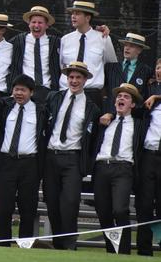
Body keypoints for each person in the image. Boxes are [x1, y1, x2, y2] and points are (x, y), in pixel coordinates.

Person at [43, 61, 100, 250]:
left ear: (85, 80)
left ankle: (69, 244)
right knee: (51, 202)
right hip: (51, 155)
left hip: (73, 158)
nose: (74, 81)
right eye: (71, 77)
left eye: (78, 78)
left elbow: (92, 139)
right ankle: (58, 244)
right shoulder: (55, 97)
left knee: (70, 202)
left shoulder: (91, 106)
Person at [0, 74, 47, 246]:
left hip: (29, 163)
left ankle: (25, 246)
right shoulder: (5, 107)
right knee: (3, 207)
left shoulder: (41, 110)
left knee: (27, 208)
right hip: (7, 161)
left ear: (31, 92)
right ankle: (2, 244)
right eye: (16, 89)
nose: (19, 93)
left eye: (23, 90)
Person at [92, 83, 145, 254]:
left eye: (126, 97)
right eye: (119, 96)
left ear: (133, 104)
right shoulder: (105, 121)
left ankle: (124, 252)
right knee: (103, 211)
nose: (121, 98)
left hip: (123, 169)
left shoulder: (139, 124)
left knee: (120, 209)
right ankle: (111, 251)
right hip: (102, 167)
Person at [59, 1, 117, 107]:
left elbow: (111, 67)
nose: (73, 16)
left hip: (91, 93)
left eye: (77, 13)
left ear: (87, 18)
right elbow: (61, 66)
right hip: (66, 91)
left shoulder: (103, 38)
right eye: (72, 13)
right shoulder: (65, 40)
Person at [7, 6, 60, 103]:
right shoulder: (19, 40)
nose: (36, 25)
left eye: (40, 23)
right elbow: (1, 46)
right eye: (34, 22)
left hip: (47, 90)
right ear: (29, 24)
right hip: (24, 90)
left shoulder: (55, 42)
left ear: (47, 25)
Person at [136, 58, 161, 256]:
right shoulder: (148, 91)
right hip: (148, 156)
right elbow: (135, 104)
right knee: (144, 204)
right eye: (159, 68)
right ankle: (144, 250)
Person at [104, 32, 153, 112]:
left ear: (139, 50)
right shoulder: (110, 68)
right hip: (110, 115)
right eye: (126, 45)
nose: (127, 48)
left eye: (131, 46)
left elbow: (145, 95)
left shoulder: (147, 71)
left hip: (134, 117)